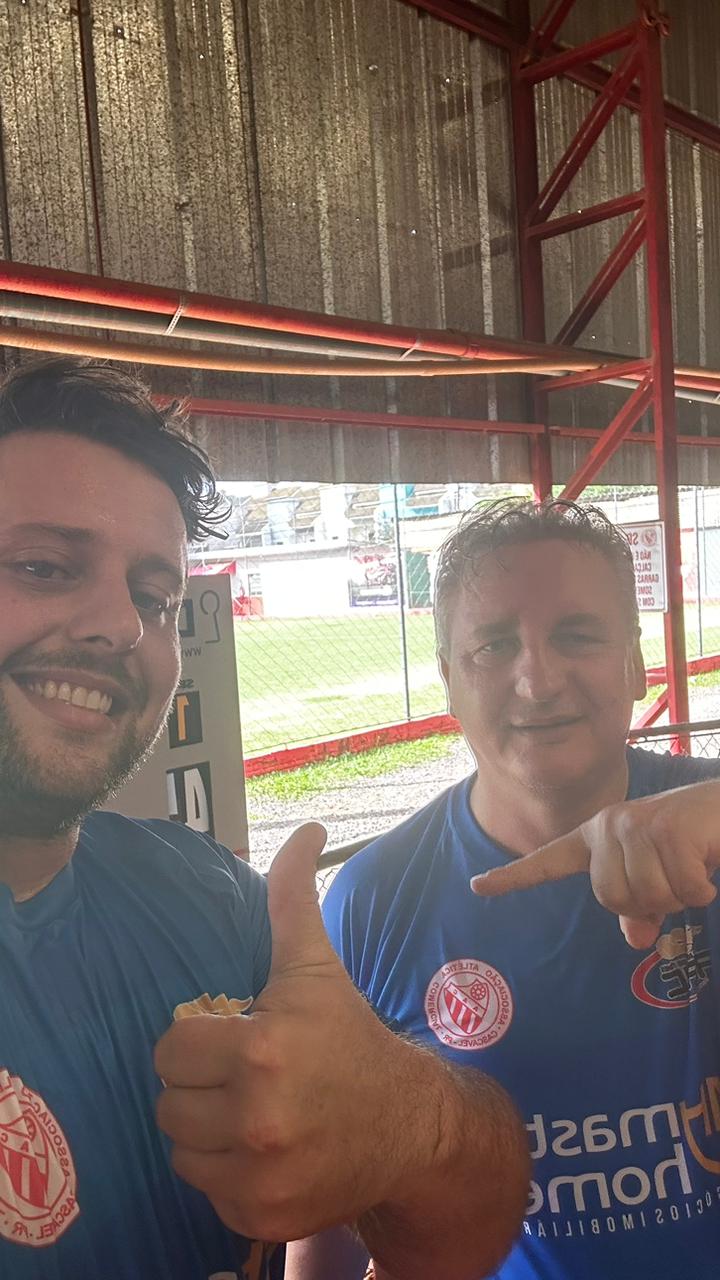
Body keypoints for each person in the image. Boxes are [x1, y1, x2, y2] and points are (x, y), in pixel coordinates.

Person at [0, 357, 529, 1280]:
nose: (121, 625)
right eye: (43, 566)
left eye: (154, 598)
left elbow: (473, 1226)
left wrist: (412, 1120)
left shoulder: (212, 901)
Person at [292, 499, 720, 1280]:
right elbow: (334, 1198)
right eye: (493, 645)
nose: (539, 679)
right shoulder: (373, 901)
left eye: (577, 636)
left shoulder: (713, 826)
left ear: (636, 665)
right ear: (449, 682)